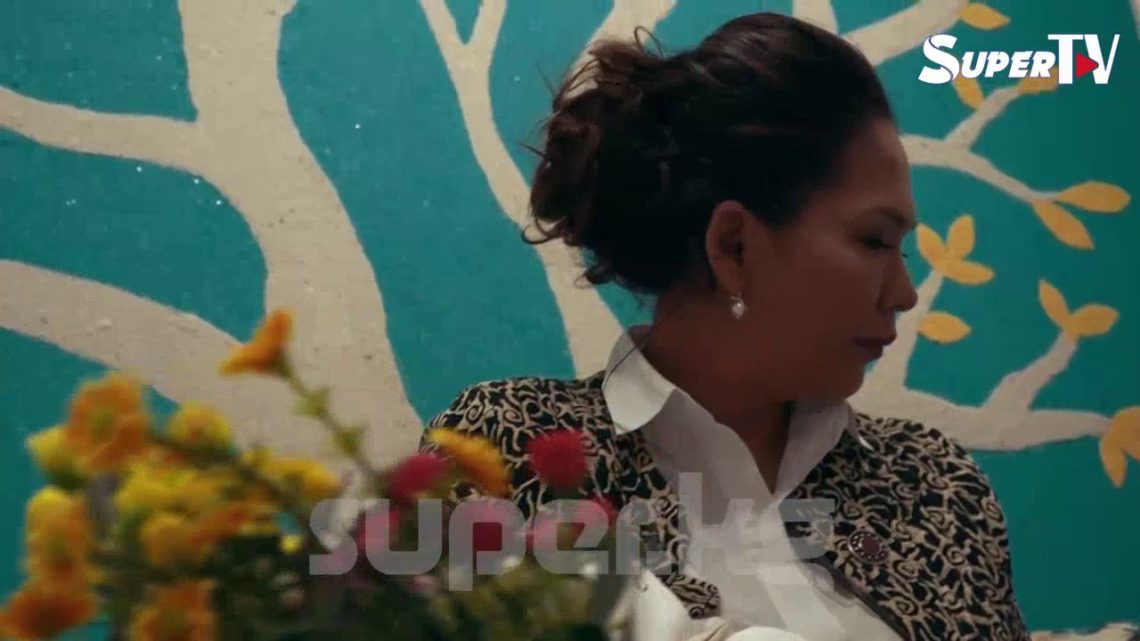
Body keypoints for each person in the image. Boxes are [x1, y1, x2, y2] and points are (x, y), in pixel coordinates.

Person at [423, 11, 1030, 641]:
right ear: (734, 245)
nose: (904, 294)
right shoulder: (517, 448)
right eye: (874, 240)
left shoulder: (933, 484)